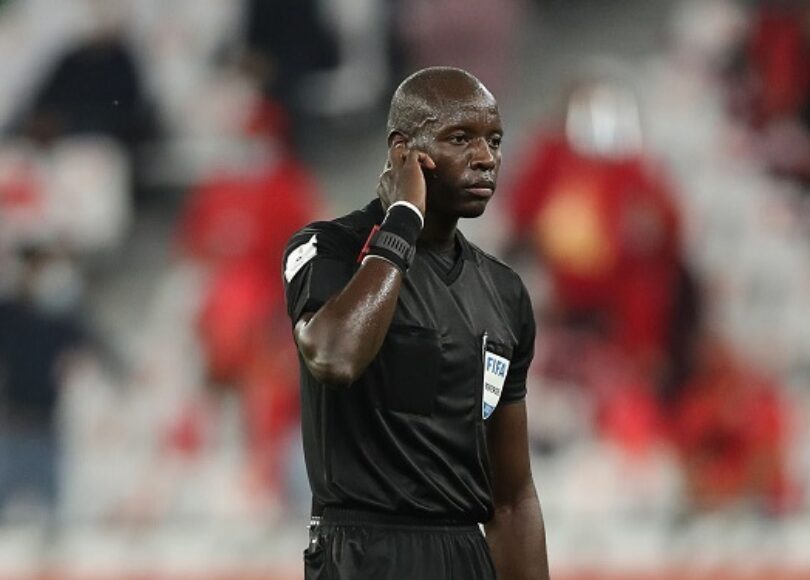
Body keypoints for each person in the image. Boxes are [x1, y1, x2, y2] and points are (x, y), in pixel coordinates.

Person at [283, 67, 549, 579]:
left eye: (494, 140)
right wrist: (403, 218)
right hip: (363, 555)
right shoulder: (328, 249)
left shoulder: (504, 292)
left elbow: (512, 498)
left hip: (465, 556)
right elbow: (334, 355)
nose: (486, 158)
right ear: (403, 151)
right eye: (460, 138)